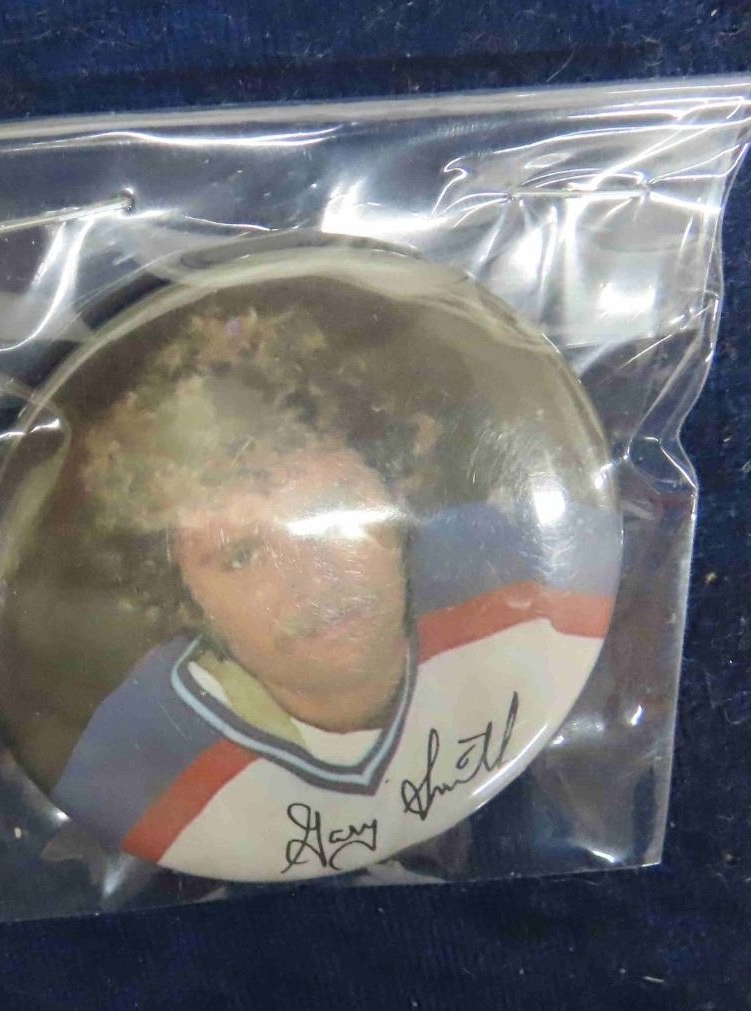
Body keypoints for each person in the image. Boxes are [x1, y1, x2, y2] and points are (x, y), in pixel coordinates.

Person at [47, 309, 619, 875]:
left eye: (331, 509)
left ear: (394, 490)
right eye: (242, 555)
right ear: (181, 595)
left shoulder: (538, 588)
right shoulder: (136, 776)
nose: (314, 579)